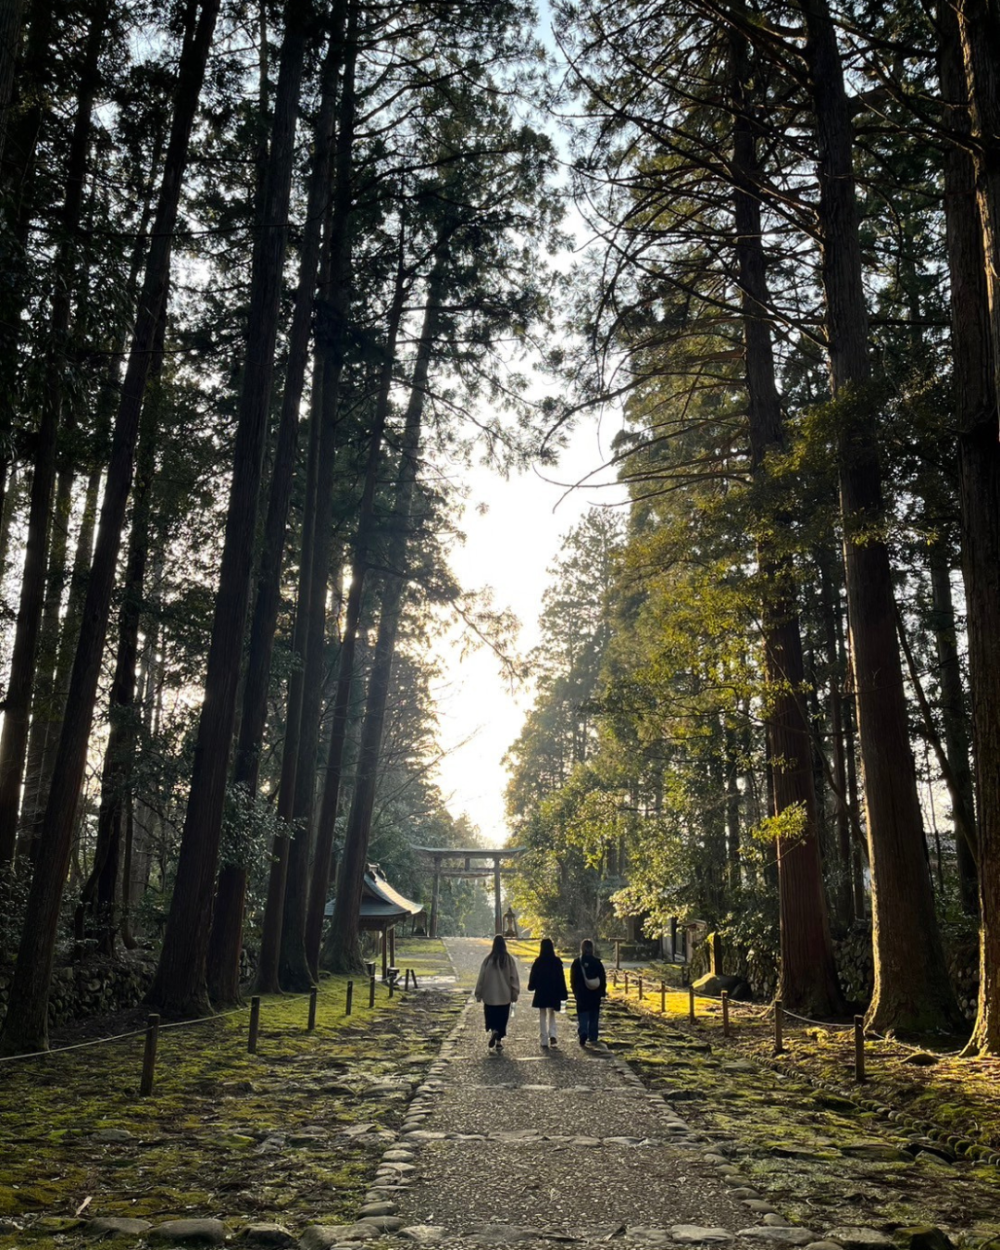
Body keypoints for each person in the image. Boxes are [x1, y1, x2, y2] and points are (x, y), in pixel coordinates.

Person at [474, 934, 520, 1052]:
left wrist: (478, 993)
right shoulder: (508, 959)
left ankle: (493, 1030)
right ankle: (499, 1041)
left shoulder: (488, 959)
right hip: (504, 996)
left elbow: (481, 977)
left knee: (491, 1016)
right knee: (502, 1018)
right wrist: (515, 991)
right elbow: (513, 977)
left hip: (489, 996)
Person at [527, 937, 568, 1050]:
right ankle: (553, 1035)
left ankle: (544, 1038)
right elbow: (561, 978)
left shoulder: (538, 961)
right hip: (553, 991)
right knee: (552, 1012)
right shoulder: (556, 962)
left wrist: (531, 986)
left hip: (542, 991)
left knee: (542, 1013)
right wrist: (563, 993)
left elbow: (533, 976)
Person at [569, 938, 607, 1048]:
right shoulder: (597, 962)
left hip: (582, 994)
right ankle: (593, 1036)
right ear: (592, 949)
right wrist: (602, 991)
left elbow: (573, 978)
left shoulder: (577, 962)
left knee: (583, 1015)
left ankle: (583, 1032)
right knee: (594, 1015)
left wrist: (575, 991)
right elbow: (602, 978)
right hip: (595, 994)